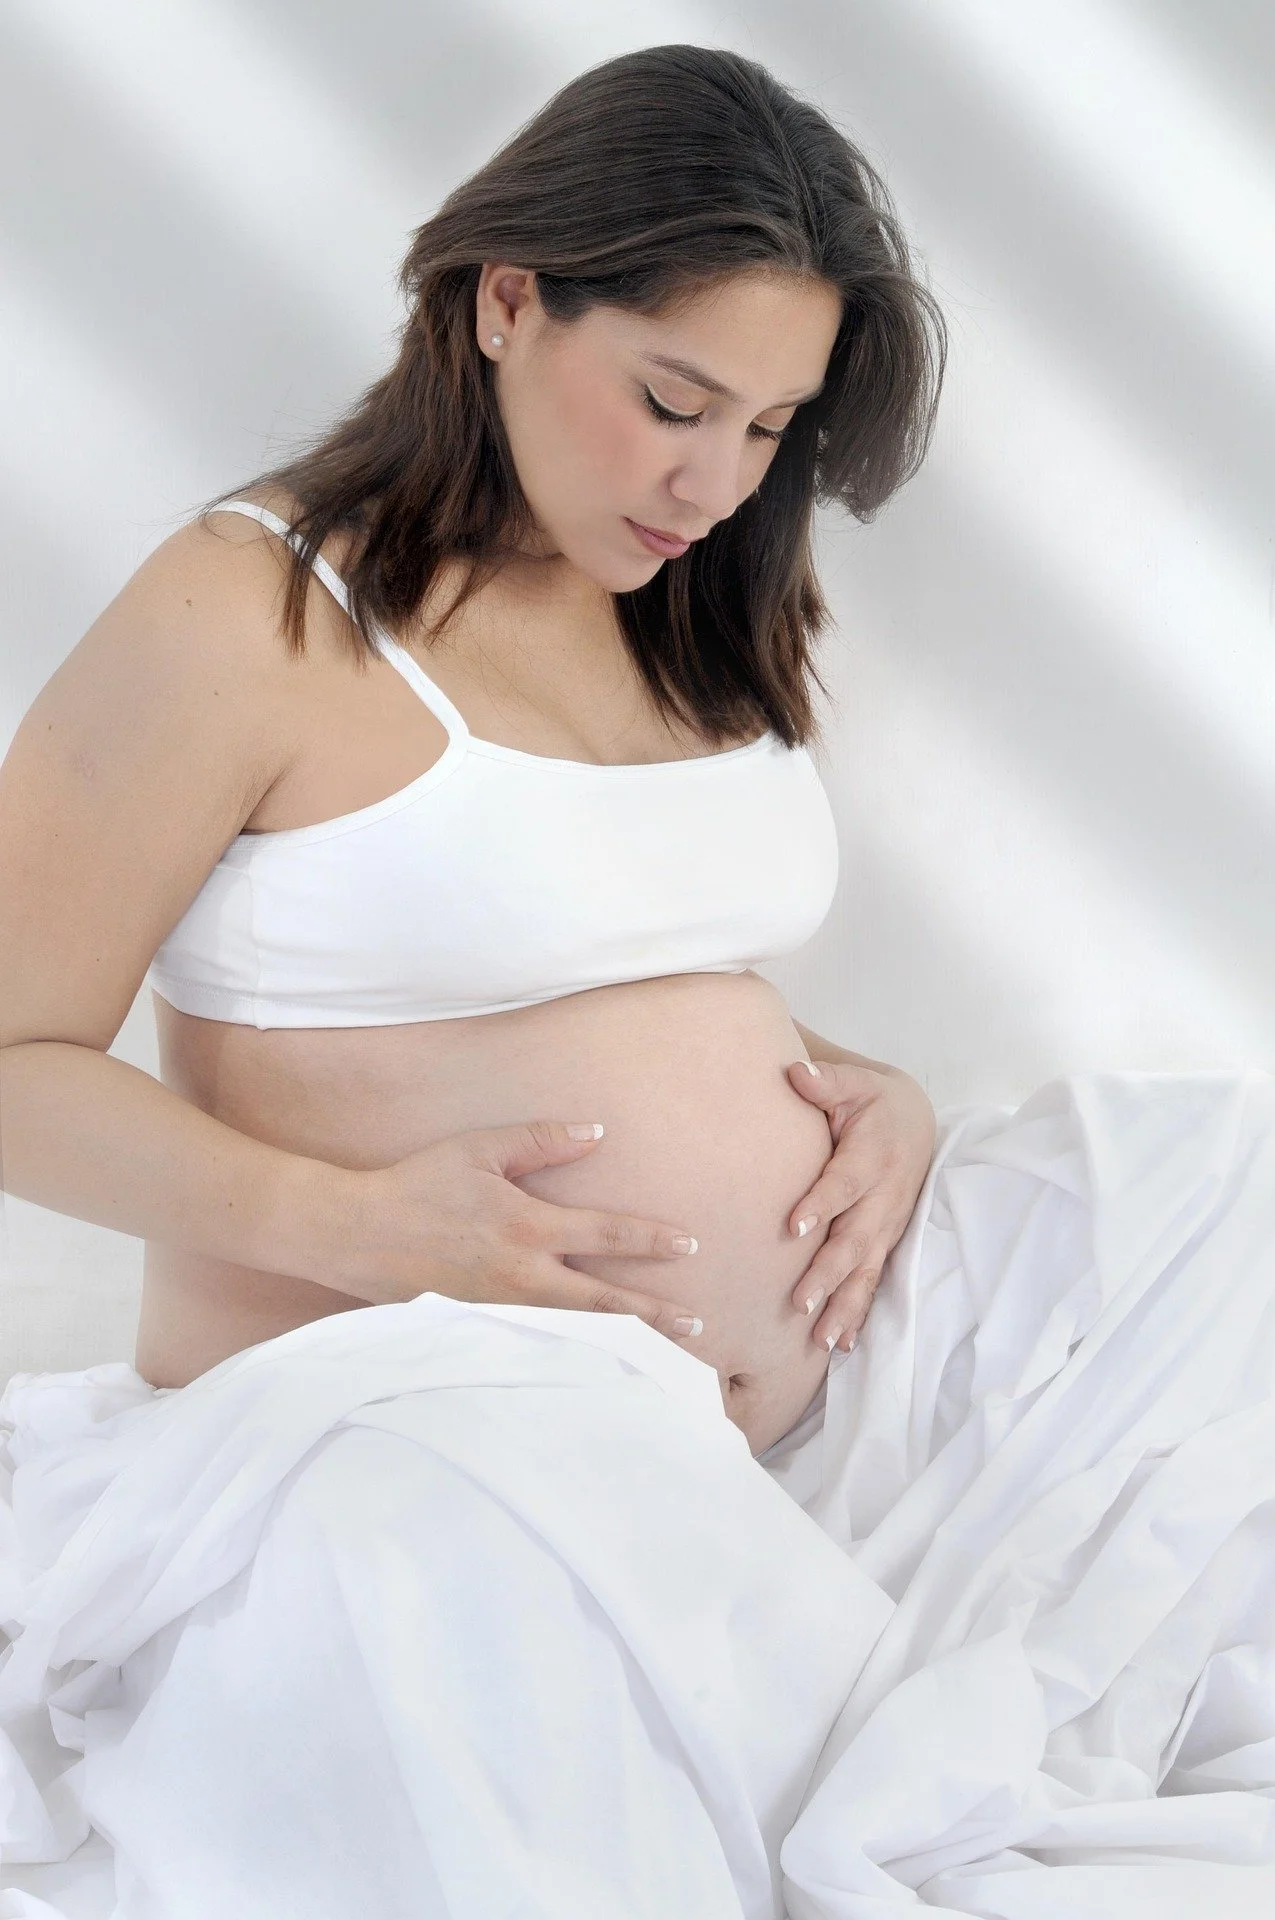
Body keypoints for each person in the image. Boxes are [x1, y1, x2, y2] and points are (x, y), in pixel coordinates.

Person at [2, 44, 1273, 1920]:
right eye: (673, 399)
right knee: (455, 1607)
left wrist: (875, 1095)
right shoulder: (249, 608)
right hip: (408, 1407)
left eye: (768, 430)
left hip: (800, 1395)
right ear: (507, 299)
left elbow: (612, 978)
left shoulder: (677, 604)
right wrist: (355, 1228)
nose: (715, 478)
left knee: (1222, 1199)